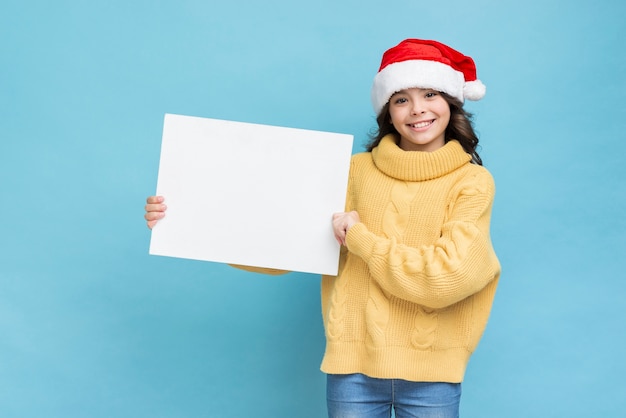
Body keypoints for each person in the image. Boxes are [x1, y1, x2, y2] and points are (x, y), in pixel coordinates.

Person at [145, 38, 500, 418]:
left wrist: (361, 240)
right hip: (352, 373)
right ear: (387, 112)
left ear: (451, 101)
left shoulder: (473, 183)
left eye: (429, 94)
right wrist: (187, 218)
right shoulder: (354, 171)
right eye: (401, 99)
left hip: (433, 377)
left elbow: (448, 277)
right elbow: (289, 242)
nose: (417, 110)